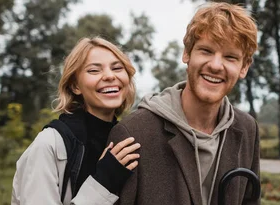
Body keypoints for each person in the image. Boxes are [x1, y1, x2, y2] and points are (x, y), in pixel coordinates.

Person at [107, 2, 260, 205]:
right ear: (187, 53)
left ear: (244, 67)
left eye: (230, 57)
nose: (215, 65)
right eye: (206, 51)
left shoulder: (247, 129)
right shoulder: (133, 133)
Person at [11, 37, 141, 205]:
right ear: (75, 86)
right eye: (94, 70)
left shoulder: (127, 140)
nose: (110, 76)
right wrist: (103, 182)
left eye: (117, 68)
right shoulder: (49, 145)